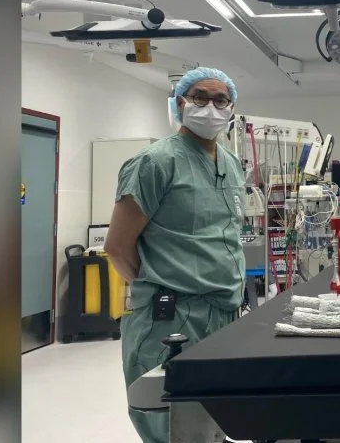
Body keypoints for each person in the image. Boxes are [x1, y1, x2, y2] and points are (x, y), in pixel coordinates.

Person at [104, 67, 245, 443]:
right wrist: (162, 287)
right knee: (171, 422)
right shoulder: (154, 162)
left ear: (231, 108)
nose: (210, 107)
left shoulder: (231, 164)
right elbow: (117, 248)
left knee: (215, 418)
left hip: (223, 310)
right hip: (172, 317)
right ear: (180, 102)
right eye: (200, 97)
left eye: (220, 100)